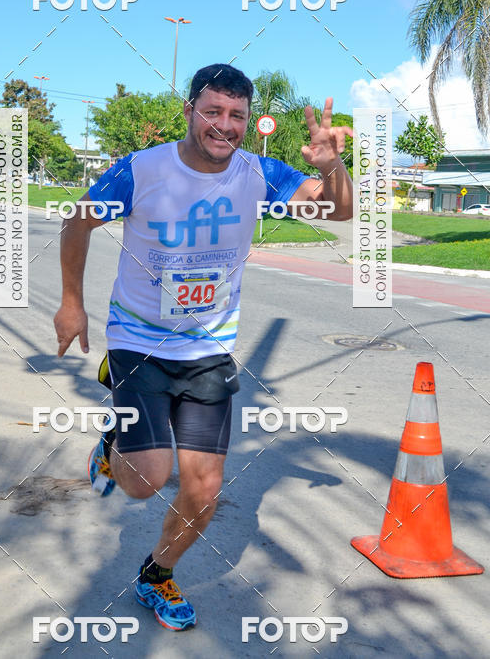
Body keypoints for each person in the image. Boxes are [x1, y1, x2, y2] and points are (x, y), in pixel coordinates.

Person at [54, 63, 353, 631]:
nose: (225, 125)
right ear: (190, 111)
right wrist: (72, 303)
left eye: (236, 115)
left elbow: (338, 210)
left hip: (208, 350)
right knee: (144, 481)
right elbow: (77, 221)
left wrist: (332, 164)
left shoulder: (258, 172)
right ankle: (116, 435)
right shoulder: (142, 170)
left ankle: (157, 573)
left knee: (205, 488)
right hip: (137, 339)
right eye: (213, 111)